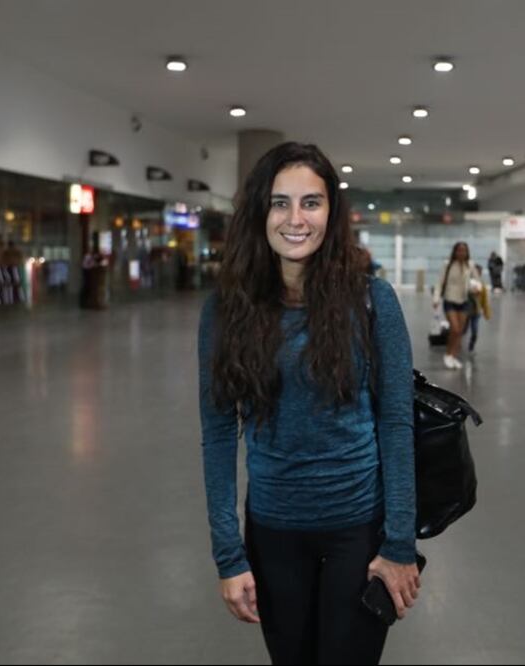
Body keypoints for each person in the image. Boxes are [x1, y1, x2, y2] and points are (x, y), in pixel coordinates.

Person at [198, 142, 418, 665]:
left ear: (331, 213)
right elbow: (218, 432)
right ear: (260, 212)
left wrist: (399, 546)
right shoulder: (224, 311)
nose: (295, 219)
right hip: (273, 534)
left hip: (358, 532)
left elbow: (395, 422)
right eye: (280, 203)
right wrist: (229, 556)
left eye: (311, 203)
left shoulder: (371, 300)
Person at [436, 242, 482, 369]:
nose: (462, 253)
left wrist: (477, 288)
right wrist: (436, 299)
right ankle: (447, 354)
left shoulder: (470, 265)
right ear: (455, 252)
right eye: (459, 250)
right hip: (450, 300)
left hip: (464, 301)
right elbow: (439, 282)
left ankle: (453, 356)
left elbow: (477, 281)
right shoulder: (448, 265)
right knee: (455, 329)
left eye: (464, 251)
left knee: (460, 332)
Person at [466, 264, 492, 353]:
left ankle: (471, 346)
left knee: (475, 330)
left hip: (476, 312)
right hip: (466, 311)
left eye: (479, 272)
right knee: (463, 330)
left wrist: (486, 313)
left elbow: (485, 301)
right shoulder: (467, 283)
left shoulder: (482, 286)